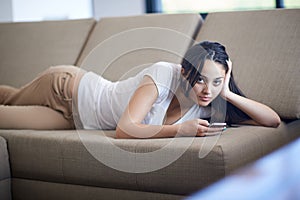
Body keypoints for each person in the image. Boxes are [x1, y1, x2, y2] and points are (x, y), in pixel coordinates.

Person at [0, 41, 280, 138]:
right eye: (201, 80)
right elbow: (124, 129)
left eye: (216, 81)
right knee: (9, 98)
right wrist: (179, 130)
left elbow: (273, 121)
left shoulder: (209, 102)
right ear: (185, 73)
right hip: (66, 88)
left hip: (74, 121)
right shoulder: (163, 73)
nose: (207, 90)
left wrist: (227, 92)